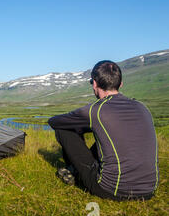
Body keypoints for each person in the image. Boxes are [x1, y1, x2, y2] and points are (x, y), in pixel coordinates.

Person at [48, 60, 159, 201]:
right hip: (149, 189)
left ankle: (73, 170)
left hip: (111, 189)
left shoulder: (96, 110)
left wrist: (80, 126)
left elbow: (54, 122)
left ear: (95, 83)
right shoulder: (142, 107)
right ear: (120, 84)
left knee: (63, 129)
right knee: (106, 135)